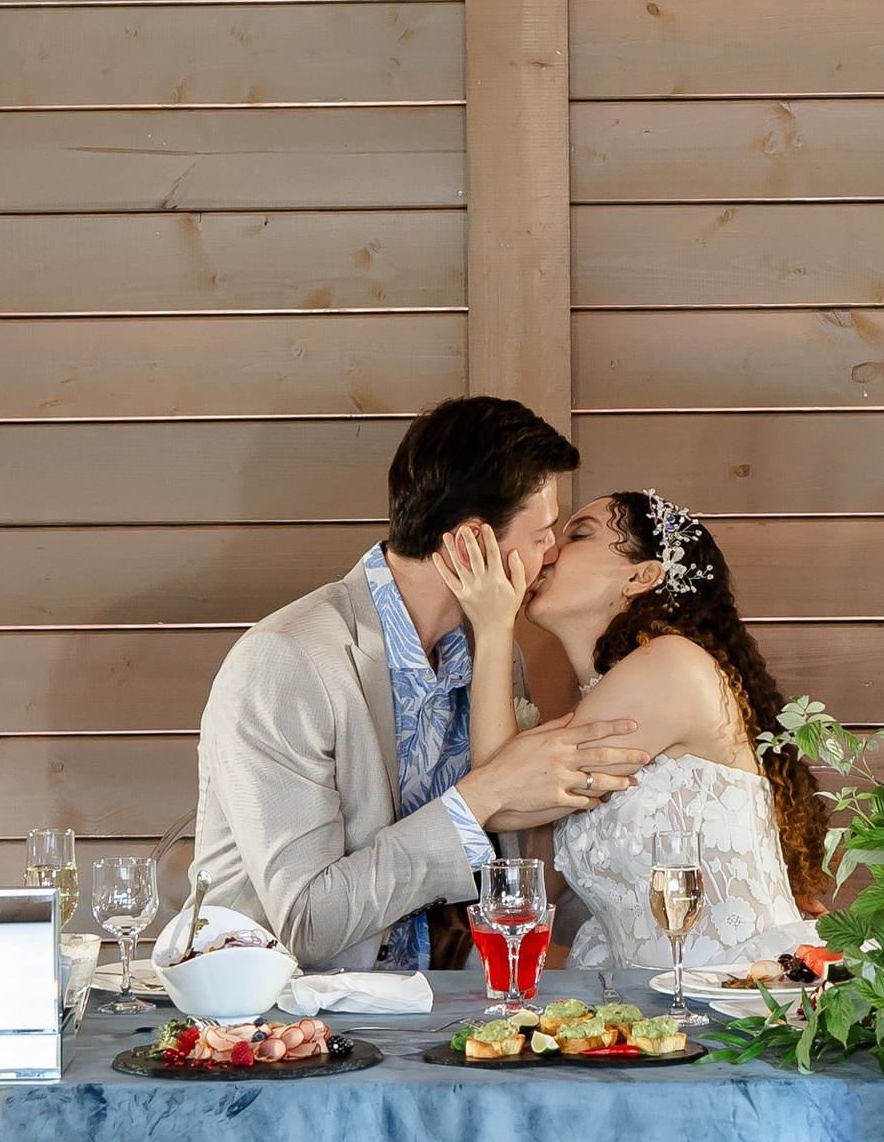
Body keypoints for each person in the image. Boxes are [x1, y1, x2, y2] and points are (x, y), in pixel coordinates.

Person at [190, 395, 645, 971]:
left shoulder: (496, 652)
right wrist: (486, 793)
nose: (552, 553)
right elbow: (308, 920)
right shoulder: (287, 662)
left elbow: (517, 879)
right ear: (470, 544)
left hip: (455, 1018)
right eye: (541, 534)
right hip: (287, 1024)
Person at [440, 487, 828, 983]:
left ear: (643, 575)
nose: (549, 552)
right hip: (650, 1004)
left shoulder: (672, 665)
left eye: (579, 534)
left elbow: (498, 796)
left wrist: (492, 626)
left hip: (735, 994)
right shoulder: (603, 706)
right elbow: (531, 863)